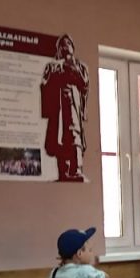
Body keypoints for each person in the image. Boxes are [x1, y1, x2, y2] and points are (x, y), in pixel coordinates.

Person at [39, 33, 88, 182]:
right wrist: (57, 71)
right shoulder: (52, 66)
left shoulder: (79, 66)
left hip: (73, 105)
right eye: (62, 44)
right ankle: (63, 172)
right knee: (59, 138)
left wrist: (71, 66)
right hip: (58, 107)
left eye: (68, 43)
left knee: (74, 136)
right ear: (58, 49)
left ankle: (76, 169)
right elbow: (45, 85)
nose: (65, 46)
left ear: (73, 47)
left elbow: (84, 84)